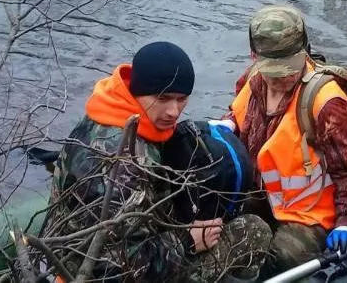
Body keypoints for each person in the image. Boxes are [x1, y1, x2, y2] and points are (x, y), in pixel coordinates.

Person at [42, 42, 271, 282]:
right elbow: (111, 271)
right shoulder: (126, 161)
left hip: (65, 256)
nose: (173, 111)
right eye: (162, 98)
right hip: (92, 274)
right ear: (140, 91)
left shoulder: (106, 112)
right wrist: (188, 242)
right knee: (253, 230)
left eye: (182, 99)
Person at [219, 5, 347, 274]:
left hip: (311, 215)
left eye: (290, 67)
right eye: (274, 70)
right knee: (222, 230)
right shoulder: (252, 81)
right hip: (263, 197)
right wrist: (224, 126)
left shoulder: (326, 102)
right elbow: (236, 116)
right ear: (255, 56)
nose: (284, 77)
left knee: (280, 260)